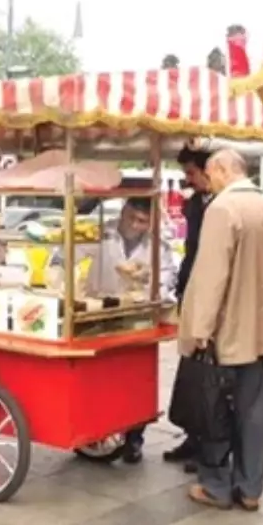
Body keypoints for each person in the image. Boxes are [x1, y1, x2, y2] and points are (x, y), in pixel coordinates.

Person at [181, 149, 263, 511]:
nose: (208, 181)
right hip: (262, 330)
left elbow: (211, 276)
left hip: (226, 331)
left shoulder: (222, 210)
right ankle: (250, 489)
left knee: (214, 407)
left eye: (211, 173)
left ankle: (215, 485)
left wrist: (200, 327)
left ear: (222, 170)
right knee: (252, 408)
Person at [56, 196, 176, 463]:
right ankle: (93, 431)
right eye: (131, 217)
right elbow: (67, 255)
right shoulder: (101, 233)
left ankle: (134, 438)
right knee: (97, 380)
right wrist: (60, 273)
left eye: (143, 222)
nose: (136, 225)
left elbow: (167, 279)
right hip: (98, 315)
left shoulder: (159, 245)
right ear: (123, 212)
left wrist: (150, 282)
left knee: (135, 382)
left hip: (137, 319)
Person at [165, 147, 212, 473]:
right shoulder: (194, 203)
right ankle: (192, 435)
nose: (187, 179)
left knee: (208, 376)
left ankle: (208, 444)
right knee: (190, 372)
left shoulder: (222, 207)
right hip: (189, 289)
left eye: (192, 173)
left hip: (208, 295)